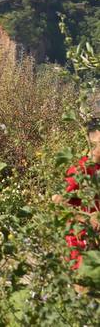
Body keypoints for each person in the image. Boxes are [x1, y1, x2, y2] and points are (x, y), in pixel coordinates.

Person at [53, 117, 100, 285]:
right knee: (83, 295)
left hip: (95, 244)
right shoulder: (80, 169)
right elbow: (57, 200)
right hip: (79, 246)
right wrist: (87, 219)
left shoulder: (98, 169)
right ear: (93, 141)